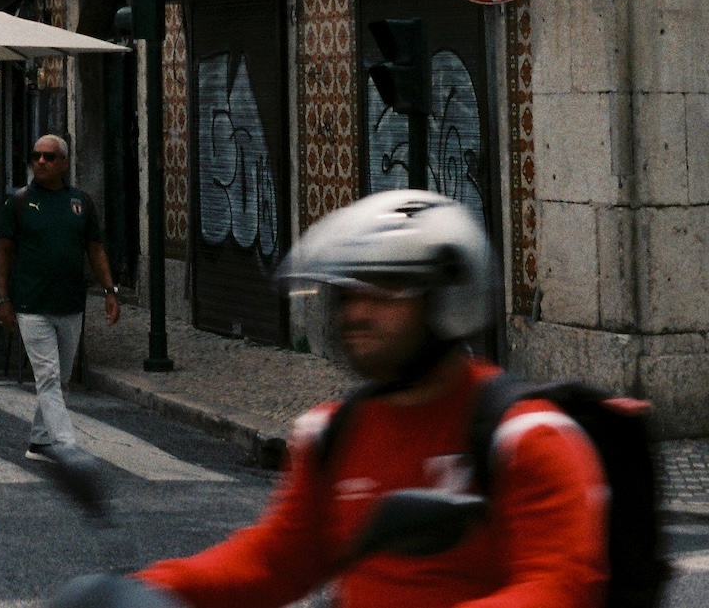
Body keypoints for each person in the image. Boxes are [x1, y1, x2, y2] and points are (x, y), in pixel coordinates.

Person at [135, 191, 606, 608]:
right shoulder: (330, 434)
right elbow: (275, 562)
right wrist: (152, 589)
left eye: (384, 291)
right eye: (347, 295)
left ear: (447, 299)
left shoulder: (526, 438)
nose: (356, 313)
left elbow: (560, 587)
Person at [0, 133, 121, 457]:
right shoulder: (18, 202)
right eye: (36, 156)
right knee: (48, 377)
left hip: (70, 303)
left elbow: (95, 249)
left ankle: (40, 441)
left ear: (64, 162)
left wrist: (109, 291)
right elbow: (3, 252)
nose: (40, 162)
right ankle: (66, 447)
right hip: (32, 304)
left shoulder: (81, 203)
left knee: (61, 379)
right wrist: (3, 298)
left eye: (49, 157)